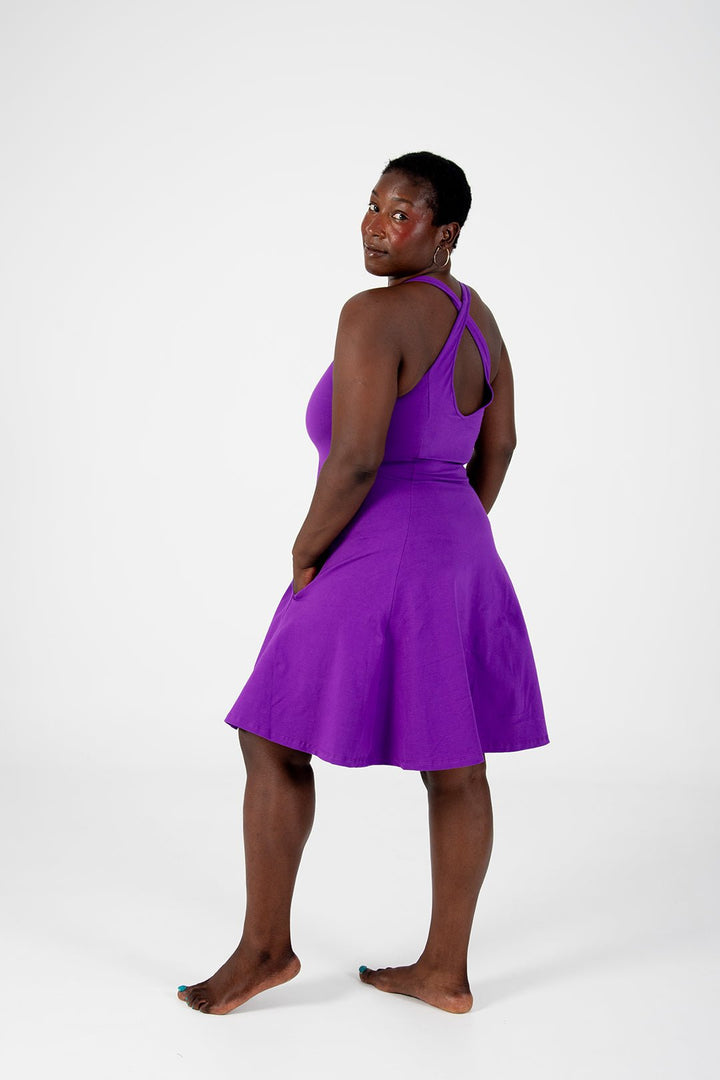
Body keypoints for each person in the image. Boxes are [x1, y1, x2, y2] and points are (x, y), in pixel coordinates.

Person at [177, 150, 549, 1016]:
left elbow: (354, 459)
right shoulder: (481, 319)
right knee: (456, 764)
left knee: (270, 734)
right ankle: (445, 973)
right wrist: (455, 530)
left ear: (445, 232)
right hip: (463, 548)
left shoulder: (373, 314)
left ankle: (266, 950)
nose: (376, 227)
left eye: (401, 213)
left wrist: (307, 549)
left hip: (379, 544)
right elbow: (500, 446)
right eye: (373, 206)